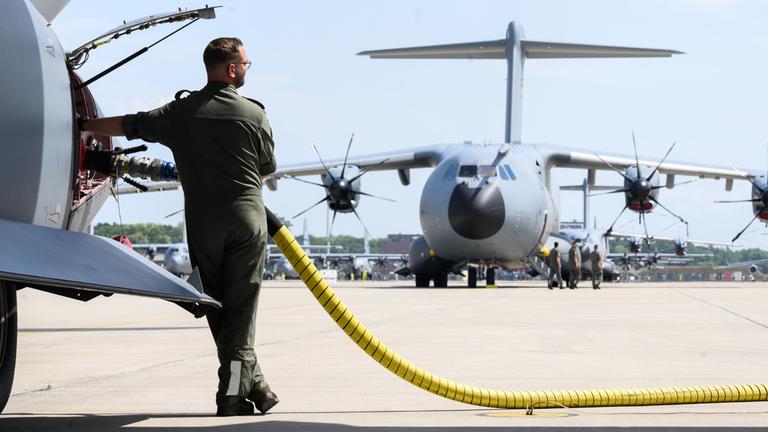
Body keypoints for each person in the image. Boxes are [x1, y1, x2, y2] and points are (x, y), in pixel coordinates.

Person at [80, 37, 278, 417]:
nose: (247, 69)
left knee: (218, 306)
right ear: (232, 68)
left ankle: (250, 385)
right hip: (247, 222)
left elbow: (129, 125)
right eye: (246, 64)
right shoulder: (254, 114)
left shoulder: (181, 113)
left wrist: (82, 124)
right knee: (241, 310)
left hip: (204, 225)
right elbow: (267, 167)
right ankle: (236, 393)